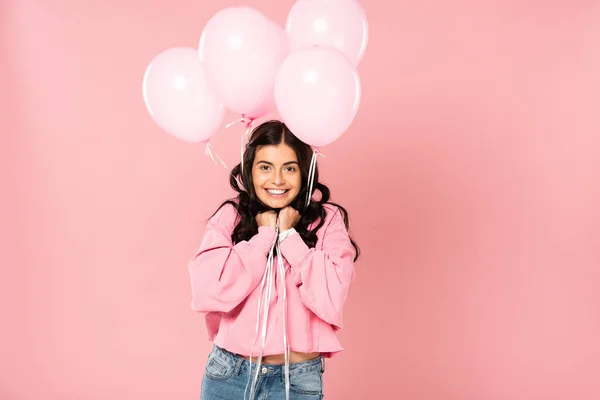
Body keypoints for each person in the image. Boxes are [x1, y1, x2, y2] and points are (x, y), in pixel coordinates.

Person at [188, 120, 360, 400]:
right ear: (250, 171)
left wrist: (289, 236)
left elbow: (330, 296)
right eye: (265, 167)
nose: (277, 180)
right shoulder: (231, 216)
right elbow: (209, 290)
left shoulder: (327, 221)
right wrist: (264, 235)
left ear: (304, 172)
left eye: (289, 168)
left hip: (297, 379)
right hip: (229, 374)